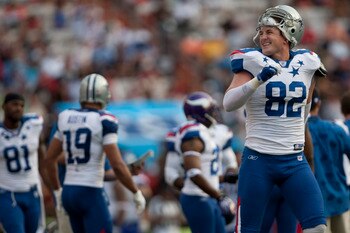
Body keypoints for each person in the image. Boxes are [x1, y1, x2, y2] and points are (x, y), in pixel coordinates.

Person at [222, 5, 327, 232]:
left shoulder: (308, 63)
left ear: (288, 34)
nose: (263, 37)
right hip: (259, 160)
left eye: (269, 31)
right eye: (261, 32)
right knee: (247, 229)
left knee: (317, 227)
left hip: (293, 161)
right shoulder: (252, 61)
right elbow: (228, 103)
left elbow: (305, 111)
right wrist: (257, 80)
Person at [44, 73, 146, 233]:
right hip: (90, 192)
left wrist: (57, 191)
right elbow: (117, 165)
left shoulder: (65, 116)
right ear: (102, 94)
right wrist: (135, 191)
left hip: (69, 192)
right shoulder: (104, 120)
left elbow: (49, 158)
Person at [172, 91, 235, 233]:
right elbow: (193, 173)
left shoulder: (207, 132)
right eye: (211, 110)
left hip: (210, 195)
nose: (215, 114)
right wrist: (219, 195)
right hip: (196, 196)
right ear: (199, 111)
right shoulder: (192, 133)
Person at [0, 93, 48, 233]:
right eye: (14, 104)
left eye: (21, 105)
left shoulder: (33, 125)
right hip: (7, 193)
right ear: (4, 106)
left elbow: (43, 161)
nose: (18, 108)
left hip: (32, 192)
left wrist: (53, 188)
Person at [307, 90, 350, 233]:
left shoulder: (295, 133)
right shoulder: (336, 129)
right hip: (339, 198)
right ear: (318, 104)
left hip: (310, 203)